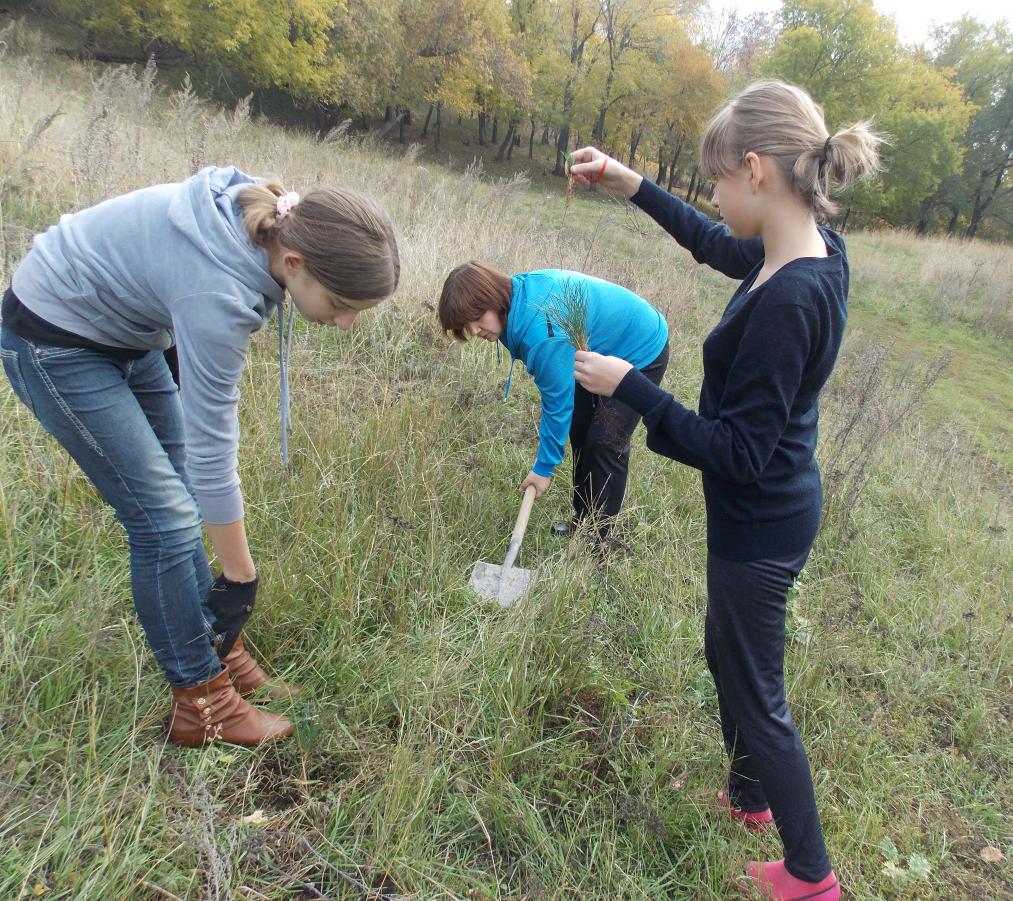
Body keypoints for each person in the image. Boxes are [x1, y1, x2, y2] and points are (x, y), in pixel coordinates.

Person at [568, 81, 882, 901]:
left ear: (756, 170)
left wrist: (632, 386)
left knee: (756, 689)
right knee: (728, 652)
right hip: (767, 509)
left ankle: (812, 876)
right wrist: (626, 180)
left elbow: (739, 452)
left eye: (717, 177)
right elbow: (712, 241)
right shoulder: (804, 250)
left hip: (761, 519)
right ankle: (748, 801)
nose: (713, 194)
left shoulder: (790, 297)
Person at [1, 166, 400, 747]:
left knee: (182, 498)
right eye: (341, 304)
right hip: (54, 337)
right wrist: (239, 576)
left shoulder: (271, 227)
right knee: (164, 521)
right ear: (293, 265)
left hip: (127, 332)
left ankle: (219, 650)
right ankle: (202, 705)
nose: (345, 322)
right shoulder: (220, 294)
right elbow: (214, 450)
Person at [438, 262, 668, 540]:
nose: (474, 331)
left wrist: (543, 469)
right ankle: (582, 522)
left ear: (491, 297)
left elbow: (557, 403)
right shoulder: (513, 303)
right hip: (589, 349)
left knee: (605, 441)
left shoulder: (541, 333)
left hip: (640, 347)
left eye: (475, 318)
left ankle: (599, 540)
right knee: (580, 429)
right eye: (466, 326)